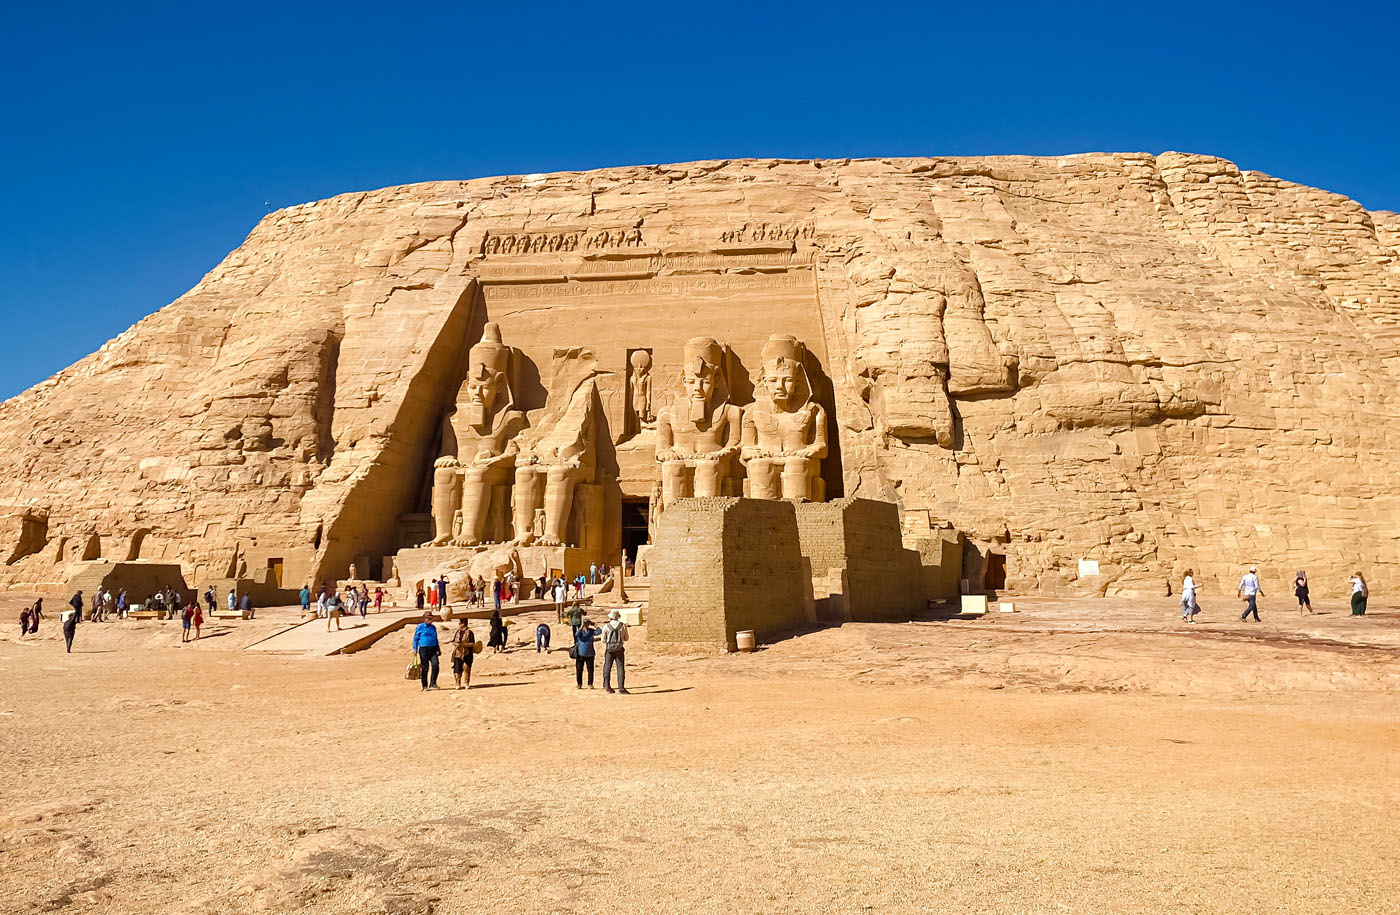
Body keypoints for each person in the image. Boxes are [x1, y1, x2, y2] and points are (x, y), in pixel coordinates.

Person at [601, 608, 629, 694]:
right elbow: (626, 638)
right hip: (619, 649)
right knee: (620, 668)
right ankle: (621, 688)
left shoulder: (606, 626)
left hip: (609, 649)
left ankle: (607, 686)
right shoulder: (622, 626)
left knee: (607, 667)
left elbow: (603, 640)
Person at [412, 612, 441, 690]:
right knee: (425, 667)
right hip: (424, 649)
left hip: (433, 648)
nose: (431, 620)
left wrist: (438, 648)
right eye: (429, 619)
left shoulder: (433, 627)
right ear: (425, 619)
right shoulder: (420, 627)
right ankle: (424, 685)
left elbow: (435, 638)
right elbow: (416, 638)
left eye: (431, 619)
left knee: (435, 665)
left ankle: (433, 683)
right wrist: (415, 648)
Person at [573, 616, 598, 689]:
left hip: (590, 653)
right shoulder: (581, 632)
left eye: (587, 623)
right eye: (585, 623)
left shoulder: (591, 631)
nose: (586, 625)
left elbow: (600, 632)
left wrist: (595, 625)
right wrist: (581, 627)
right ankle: (579, 684)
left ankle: (590, 683)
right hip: (581, 653)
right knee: (579, 669)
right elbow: (576, 635)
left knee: (590, 670)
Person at [450, 618, 476, 689]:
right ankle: (457, 683)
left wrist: (463, 645)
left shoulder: (470, 632)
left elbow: (473, 643)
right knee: (457, 669)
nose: (458, 625)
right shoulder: (457, 632)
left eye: (459, 623)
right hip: (457, 653)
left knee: (467, 668)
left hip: (467, 653)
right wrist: (456, 644)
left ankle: (466, 683)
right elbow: (453, 641)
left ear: (463, 623)